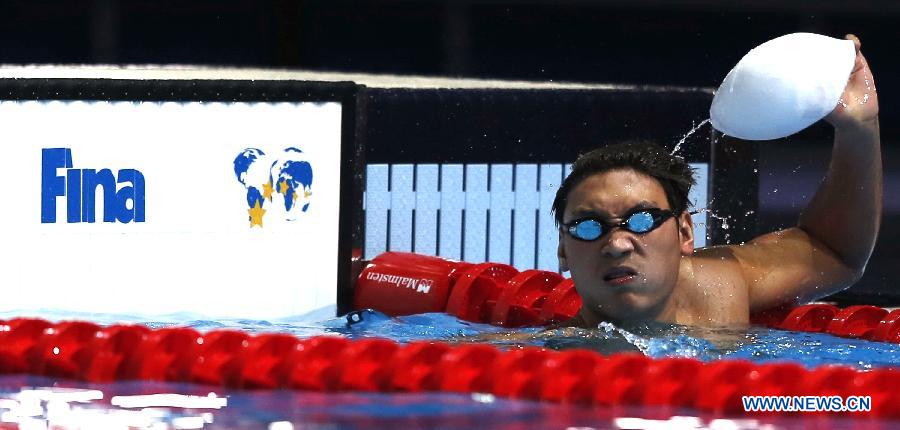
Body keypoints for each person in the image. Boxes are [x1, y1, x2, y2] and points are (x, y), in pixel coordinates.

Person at [555, 35, 880, 327]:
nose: (616, 244)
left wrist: (858, 129)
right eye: (589, 226)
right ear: (563, 251)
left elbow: (834, 253)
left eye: (641, 220)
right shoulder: (548, 356)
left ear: (685, 232)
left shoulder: (721, 286)